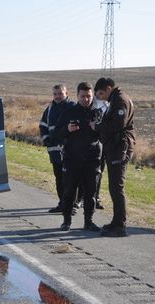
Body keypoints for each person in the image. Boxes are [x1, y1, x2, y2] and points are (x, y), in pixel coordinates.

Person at [54, 82, 103, 232]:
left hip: (92, 159)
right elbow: (56, 134)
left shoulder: (98, 113)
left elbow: (106, 134)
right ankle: (66, 221)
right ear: (77, 96)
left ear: (92, 95)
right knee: (69, 191)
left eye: (89, 96)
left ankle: (89, 221)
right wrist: (67, 129)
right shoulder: (69, 112)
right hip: (72, 158)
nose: (86, 99)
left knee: (90, 192)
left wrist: (98, 128)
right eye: (83, 96)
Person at [90, 78, 136, 237]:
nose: (100, 97)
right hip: (115, 147)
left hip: (120, 148)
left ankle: (120, 225)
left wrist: (98, 126)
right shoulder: (115, 99)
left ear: (109, 88)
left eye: (101, 93)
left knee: (117, 187)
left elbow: (117, 125)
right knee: (114, 187)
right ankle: (116, 222)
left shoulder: (120, 100)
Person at [39, 84, 75, 213]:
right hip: (54, 151)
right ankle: (62, 204)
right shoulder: (49, 109)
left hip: (70, 151)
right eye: (55, 94)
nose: (57, 96)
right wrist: (46, 139)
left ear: (66, 93)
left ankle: (71, 205)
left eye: (60, 93)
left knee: (70, 179)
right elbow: (42, 125)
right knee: (59, 179)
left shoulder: (73, 107)